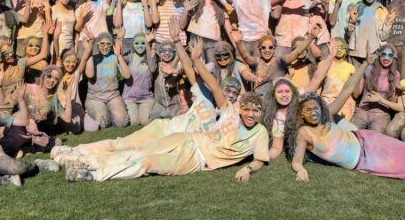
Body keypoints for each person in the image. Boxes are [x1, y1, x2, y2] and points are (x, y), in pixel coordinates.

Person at [52, 37, 241, 164]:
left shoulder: (228, 114)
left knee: (135, 154)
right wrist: (179, 45)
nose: (229, 94)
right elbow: (197, 76)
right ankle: (75, 151)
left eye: (235, 91)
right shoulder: (206, 98)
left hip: (173, 139)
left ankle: (78, 157)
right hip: (163, 130)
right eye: (227, 90)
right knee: (125, 145)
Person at [62, 87, 269, 182]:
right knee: (138, 150)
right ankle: (83, 160)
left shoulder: (260, 133)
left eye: (256, 110)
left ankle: (93, 174)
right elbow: (214, 87)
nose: (251, 114)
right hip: (188, 138)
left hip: (197, 159)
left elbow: (260, 159)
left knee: (147, 163)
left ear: (261, 113)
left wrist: (248, 169)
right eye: (247, 109)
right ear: (240, 108)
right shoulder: (230, 113)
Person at [350, 46, 405, 133]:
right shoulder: (369, 69)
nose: (386, 58)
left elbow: (393, 101)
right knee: (352, 133)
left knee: (375, 138)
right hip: (363, 111)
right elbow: (356, 94)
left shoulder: (396, 74)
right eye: (383, 54)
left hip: (381, 115)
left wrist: (398, 91)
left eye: (390, 55)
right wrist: (357, 78)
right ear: (379, 56)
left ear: (393, 58)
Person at [83, 32, 132, 129]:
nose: (105, 47)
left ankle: (108, 111)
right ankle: (91, 113)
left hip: (113, 96)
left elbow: (127, 75)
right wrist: (88, 52)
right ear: (97, 44)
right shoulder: (93, 58)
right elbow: (90, 74)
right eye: (102, 44)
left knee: (122, 122)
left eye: (108, 44)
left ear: (112, 45)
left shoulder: (114, 58)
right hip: (95, 98)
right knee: (104, 123)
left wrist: (119, 56)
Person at [346, 0, 393, 65]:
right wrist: (352, 22)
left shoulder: (382, 10)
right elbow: (349, 33)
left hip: (374, 53)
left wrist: (388, 23)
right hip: (357, 52)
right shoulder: (356, 7)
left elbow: (383, 37)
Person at [261, 78, 297, 160]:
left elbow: (315, 82)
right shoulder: (276, 117)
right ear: (273, 94)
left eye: (287, 91)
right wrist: (264, 156)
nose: (284, 95)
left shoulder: (301, 104)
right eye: (280, 92)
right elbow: (276, 147)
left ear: (293, 93)